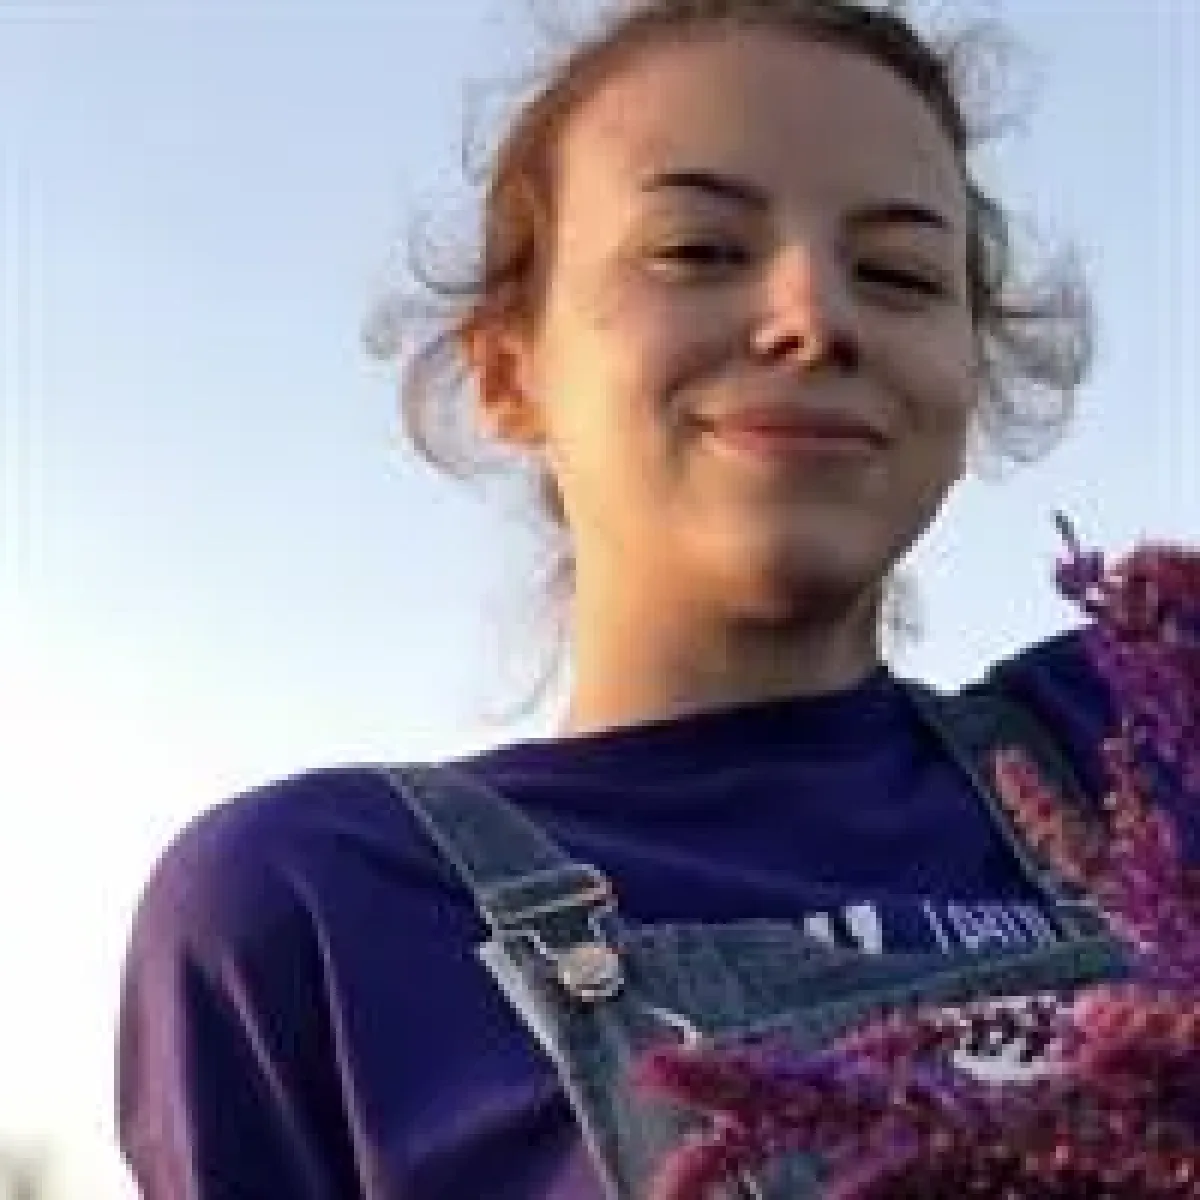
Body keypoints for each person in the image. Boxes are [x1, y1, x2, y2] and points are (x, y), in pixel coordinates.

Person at [116, 2, 1191, 1197]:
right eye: (697, 250)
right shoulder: (313, 903)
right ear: (510, 371)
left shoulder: (1142, 733)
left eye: (899, 273)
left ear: (971, 374)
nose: (814, 318)